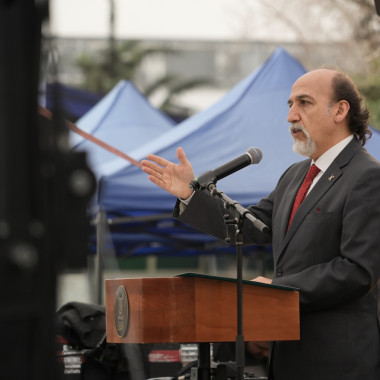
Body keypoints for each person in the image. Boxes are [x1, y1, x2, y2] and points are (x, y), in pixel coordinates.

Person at [141, 68, 380, 380]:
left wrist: (275, 289)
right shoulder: (294, 176)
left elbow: (358, 271)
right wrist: (190, 194)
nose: (291, 116)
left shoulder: (366, 176)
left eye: (304, 103)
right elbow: (248, 225)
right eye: (290, 105)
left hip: (339, 358)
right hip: (288, 355)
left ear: (340, 110)